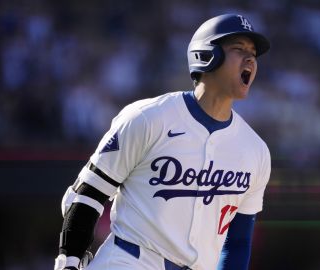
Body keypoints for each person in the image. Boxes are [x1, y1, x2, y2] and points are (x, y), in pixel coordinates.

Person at [54, 13, 271, 270]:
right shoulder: (149, 118)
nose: (250, 59)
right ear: (206, 55)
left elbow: (237, 243)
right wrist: (69, 260)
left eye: (254, 54)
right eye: (239, 49)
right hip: (130, 260)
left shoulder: (255, 151)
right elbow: (87, 194)